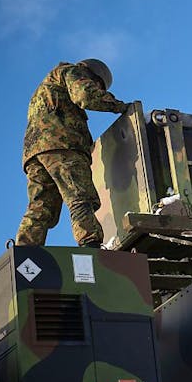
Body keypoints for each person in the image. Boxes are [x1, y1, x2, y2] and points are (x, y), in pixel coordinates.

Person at [16, 59, 128, 248]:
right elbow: (85, 95)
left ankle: (25, 251)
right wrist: (119, 106)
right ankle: (90, 243)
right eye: (97, 85)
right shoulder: (71, 71)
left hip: (35, 152)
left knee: (41, 206)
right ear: (94, 76)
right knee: (79, 195)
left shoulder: (46, 86)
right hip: (62, 145)